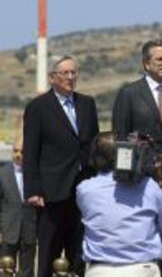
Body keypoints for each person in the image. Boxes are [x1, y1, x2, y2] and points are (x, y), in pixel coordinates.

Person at [23, 55, 99, 277]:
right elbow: (31, 151)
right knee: (49, 253)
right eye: (65, 73)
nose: (70, 77)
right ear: (52, 77)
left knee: (78, 253)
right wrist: (33, 189)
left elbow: (93, 145)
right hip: (51, 193)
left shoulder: (87, 104)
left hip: (82, 190)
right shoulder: (38, 108)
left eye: (73, 73)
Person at [76, 131, 162, 277]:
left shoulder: (85, 190)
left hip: (100, 270)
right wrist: (161, 185)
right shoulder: (149, 187)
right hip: (141, 269)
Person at [112, 39, 162, 160]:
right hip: (142, 171)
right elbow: (121, 137)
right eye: (160, 59)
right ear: (146, 64)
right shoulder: (129, 94)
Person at [0, 134, 36, 277]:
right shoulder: (2, 173)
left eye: (22, 151)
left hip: (29, 230)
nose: (18, 155)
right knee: (5, 269)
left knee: (27, 271)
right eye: (15, 151)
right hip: (8, 231)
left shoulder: (35, 173)